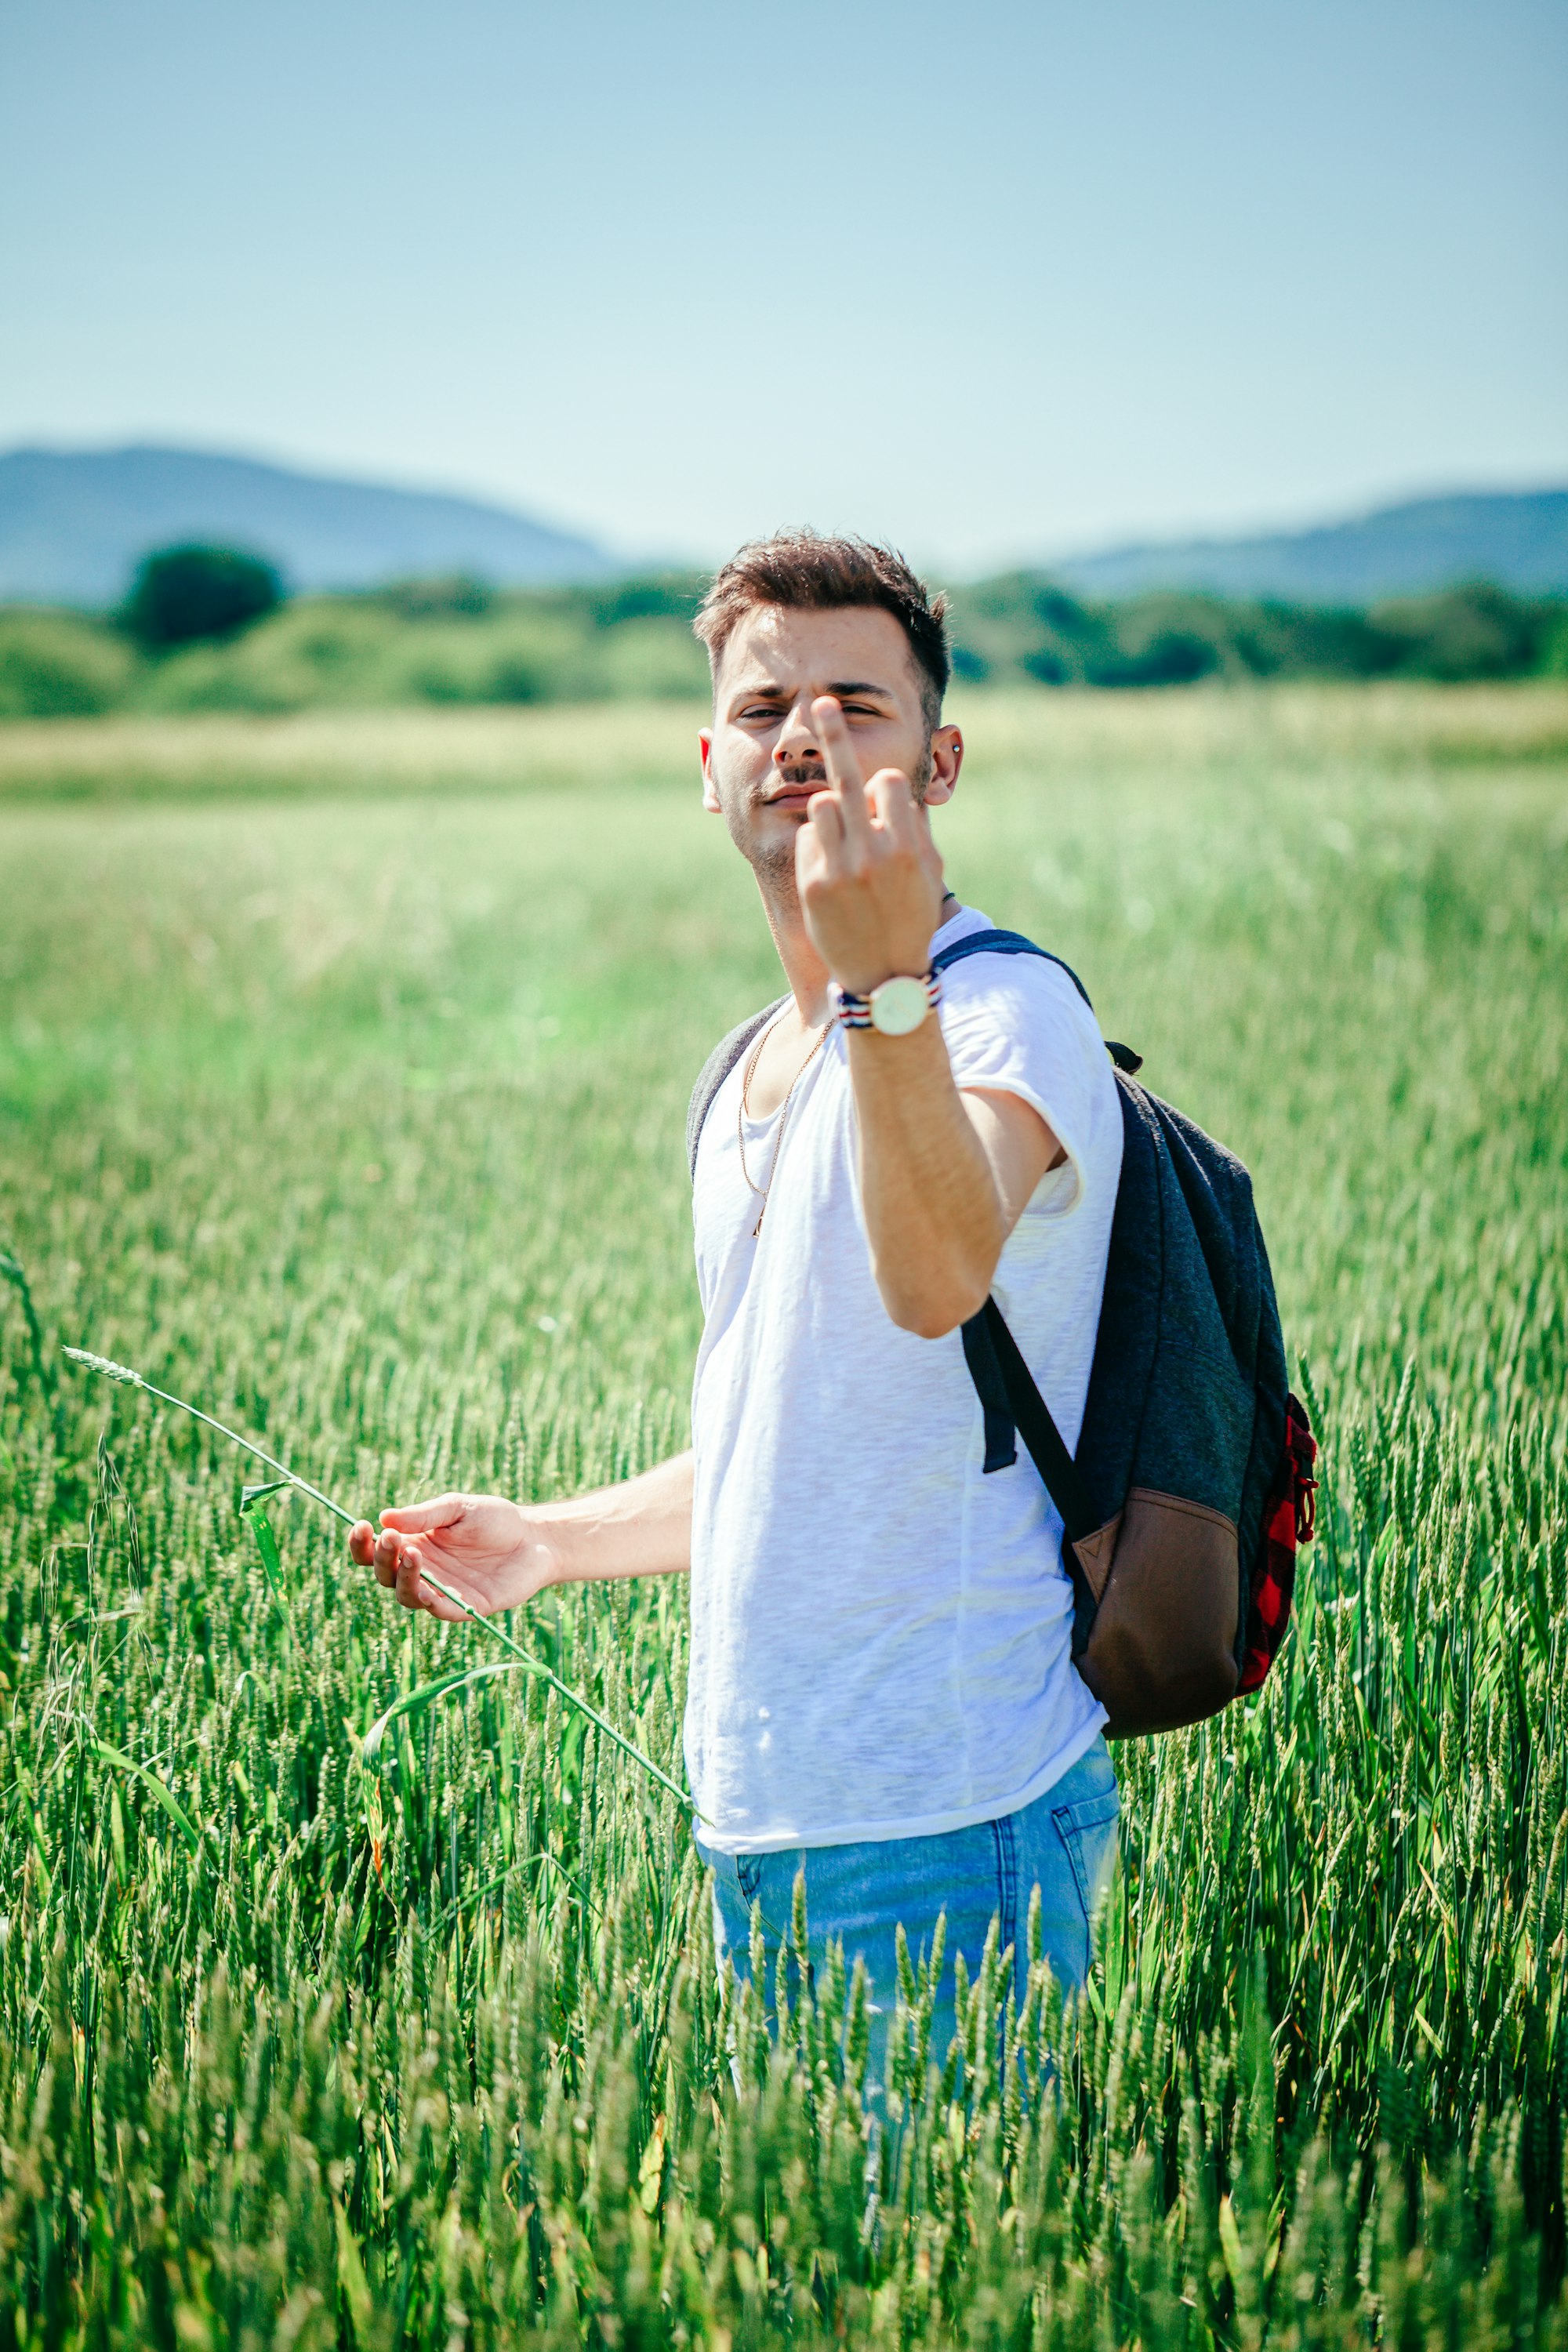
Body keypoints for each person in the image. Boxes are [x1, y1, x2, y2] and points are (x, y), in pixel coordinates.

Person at [349, 532, 1123, 2082]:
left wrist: (883, 982)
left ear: (941, 761)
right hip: (761, 1807)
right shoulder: (742, 1067)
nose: (808, 742)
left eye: (858, 705)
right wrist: (557, 1543)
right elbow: (803, 1441)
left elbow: (931, 1283)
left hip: (946, 1805)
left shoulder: (994, 1011)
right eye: (768, 709)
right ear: (708, 766)